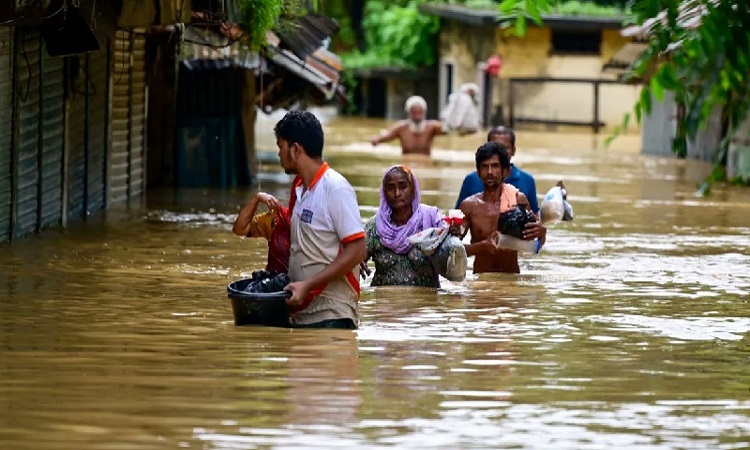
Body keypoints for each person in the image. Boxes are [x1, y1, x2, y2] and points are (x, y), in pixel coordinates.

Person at [274, 111, 367, 329]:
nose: (279, 154)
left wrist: (308, 285)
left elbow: (357, 250)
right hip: (303, 314)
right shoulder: (299, 190)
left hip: (332, 316)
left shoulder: (335, 188)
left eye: (280, 147)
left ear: (295, 149)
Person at [460, 142, 546, 274]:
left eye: (495, 166)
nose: (489, 172)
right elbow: (452, 249)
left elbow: (534, 246)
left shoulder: (518, 201)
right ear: (478, 172)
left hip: (511, 282)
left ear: (505, 171)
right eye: (484, 167)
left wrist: (542, 233)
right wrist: (481, 247)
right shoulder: (469, 206)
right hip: (481, 282)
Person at [364, 165, 445, 288]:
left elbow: (452, 261)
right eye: (391, 188)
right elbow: (355, 260)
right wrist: (354, 263)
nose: (397, 193)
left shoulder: (431, 220)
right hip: (384, 303)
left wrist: (453, 236)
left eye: (403, 187)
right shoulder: (375, 227)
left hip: (424, 305)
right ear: (384, 193)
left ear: (413, 189)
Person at [455, 126, 539, 215]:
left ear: (513, 150)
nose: (490, 172)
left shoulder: (526, 183)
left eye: (504, 148)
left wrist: (541, 228)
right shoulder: (471, 181)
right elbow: (457, 218)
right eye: (494, 147)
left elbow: (534, 220)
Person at [370, 96, 446, 156]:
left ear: (424, 112)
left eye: (420, 112)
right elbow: (384, 137)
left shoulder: (432, 127)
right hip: (406, 166)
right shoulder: (401, 128)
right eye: (414, 112)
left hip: (425, 164)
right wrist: (376, 139)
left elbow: (447, 129)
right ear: (408, 113)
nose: (417, 116)